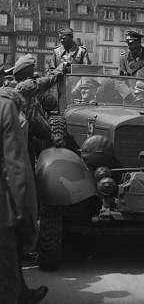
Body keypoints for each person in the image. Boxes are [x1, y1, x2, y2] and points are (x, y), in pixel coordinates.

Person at [0, 88, 47, 304]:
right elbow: (15, 164)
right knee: (7, 253)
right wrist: (22, 209)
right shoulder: (5, 105)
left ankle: (23, 293)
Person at [14, 54, 66, 161]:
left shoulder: (16, 85)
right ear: (27, 70)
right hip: (24, 139)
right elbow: (36, 120)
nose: (34, 70)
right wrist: (51, 136)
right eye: (32, 68)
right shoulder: (26, 86)